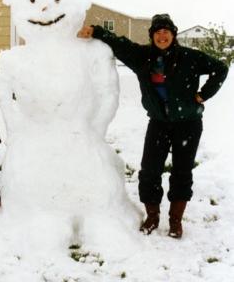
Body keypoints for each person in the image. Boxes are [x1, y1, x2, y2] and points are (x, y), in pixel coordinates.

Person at [80, 14, 228, 238]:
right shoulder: (143, 57)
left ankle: (175, 221)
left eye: (166, 32)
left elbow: (220, 68)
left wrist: (202, 95)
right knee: (149, 171)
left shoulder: (190, 57)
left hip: (188, 123)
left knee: (181, 171)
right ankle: (152, 216)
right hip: (159, 123)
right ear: (152, 35)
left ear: (173, 34)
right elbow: (120, 43)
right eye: (157, 32)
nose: (162, 36)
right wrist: (97, 31)